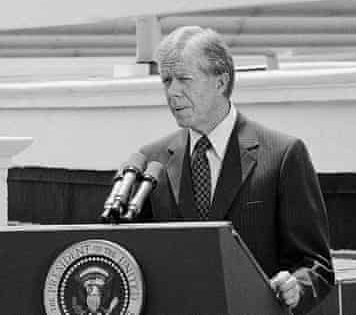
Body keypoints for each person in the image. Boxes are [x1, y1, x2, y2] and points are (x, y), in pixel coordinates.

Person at [138, 26, 334, 314]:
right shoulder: (151, 161)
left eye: (184, 79)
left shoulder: (282, 155)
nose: (172, 92)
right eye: (166, 80)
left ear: (220, 82)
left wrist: (295, 286)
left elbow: (315, 266)